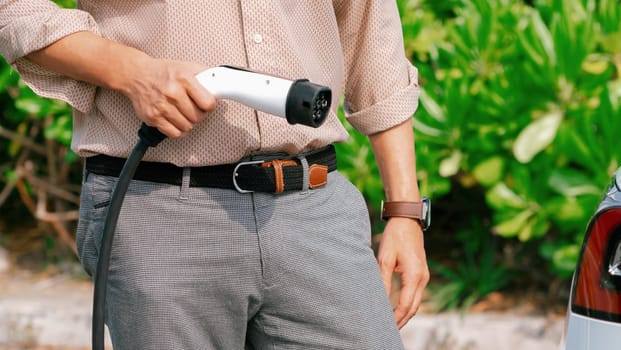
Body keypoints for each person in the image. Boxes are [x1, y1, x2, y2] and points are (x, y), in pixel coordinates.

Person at [0, 1, 429, 349]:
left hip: (313, 209)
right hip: (161, 213)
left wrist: (405, 211)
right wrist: (133, 72)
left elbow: (371, 33)